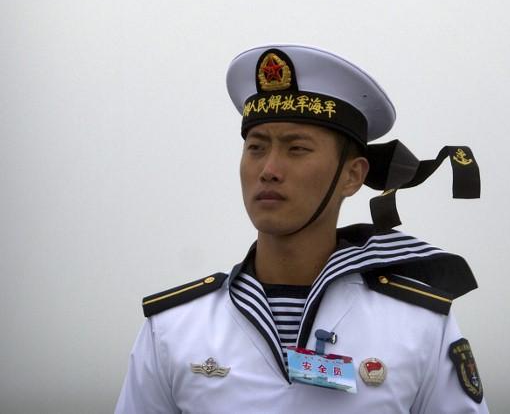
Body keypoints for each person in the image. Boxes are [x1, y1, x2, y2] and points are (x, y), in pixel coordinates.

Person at [115, 44, 487, 412]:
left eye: (296, 149)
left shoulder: (418, 326)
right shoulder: (173, 329)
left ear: (352, 176)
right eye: (256, 148)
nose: (269, 169)